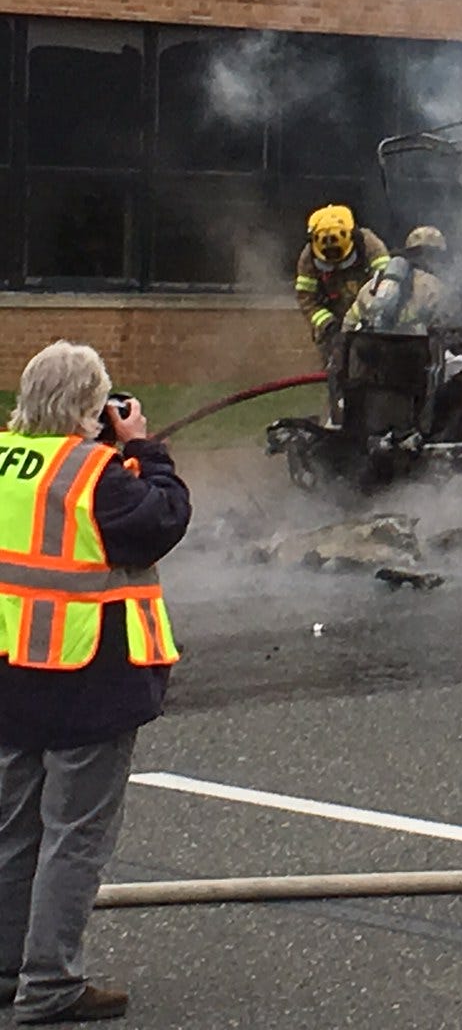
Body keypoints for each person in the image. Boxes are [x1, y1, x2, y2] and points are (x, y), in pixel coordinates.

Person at [0, 343, 189, 1024]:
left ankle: (7, 967)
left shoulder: (4, 460)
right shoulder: (97, 474)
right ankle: (50, 985)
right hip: (85, 680)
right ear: (88, 406)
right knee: (73, 838)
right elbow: (162, 519)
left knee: (13, 833)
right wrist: (148, 449)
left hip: (12, 671)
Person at [293, 204, 389, 367]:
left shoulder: (370, 245)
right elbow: (307, 300)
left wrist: (368, 318)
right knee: (336, 367)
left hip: (370, 316)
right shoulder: (308, 258)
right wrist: (328, 325)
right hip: (334, 321)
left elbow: (387, 286)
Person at [343, 225, 447, 335]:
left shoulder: (375, 283)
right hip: (414, 349)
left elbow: (348, 324)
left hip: (372, 348)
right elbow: (446, 330)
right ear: (433, 256)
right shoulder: (434, 287)